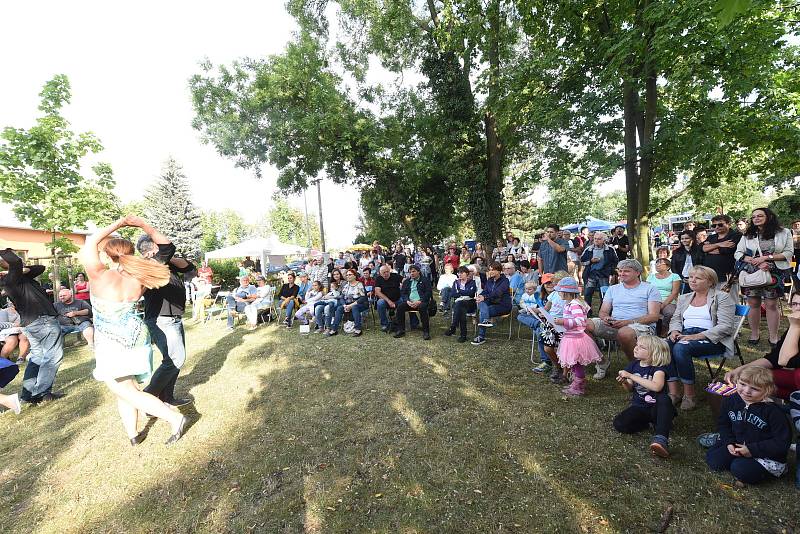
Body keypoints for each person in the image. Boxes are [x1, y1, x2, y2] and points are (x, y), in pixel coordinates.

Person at [79, 217, 187, 445]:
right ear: (130, 252)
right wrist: (141, 225)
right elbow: (167, 248)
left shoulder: (98, 274)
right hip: (136, 336)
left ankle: (174, 418)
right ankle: (133, 433)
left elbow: (90, 244)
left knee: (126, 390)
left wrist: (118, 224)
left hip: (112, 340)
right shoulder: (142, 274)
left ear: (108, 255)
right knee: (125, 388)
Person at [135, 225, 195, 408]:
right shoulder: (148, 265)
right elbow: (169, 247)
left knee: (175, 359)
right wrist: (164, 254)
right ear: (150, 250)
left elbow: (189, 267)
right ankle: (148, 399)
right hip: (161, 318)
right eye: (157, 246)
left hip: (173, 317)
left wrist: (170, 259)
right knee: (174, 359)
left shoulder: (163, 262)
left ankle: (167, 397)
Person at [706, 366, 791, 486]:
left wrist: (752, 450)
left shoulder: (773, 412)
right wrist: (729, 442)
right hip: (738, 445)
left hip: (764, 455)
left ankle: (759, 470)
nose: (746, 391)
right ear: (737, 381)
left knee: (740, 469)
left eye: (754, 389)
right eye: (742, 384)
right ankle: (738, 461)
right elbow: (723, 424)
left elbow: (782, 442)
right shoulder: (731, 400)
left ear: (767, 390)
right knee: (714, 460)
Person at [666, 266, 736, 411]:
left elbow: (726, 326)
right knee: (665, 346)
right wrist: (674, 331)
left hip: (712, 338)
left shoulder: (721, 297)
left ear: (710, 282)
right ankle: (674, 392)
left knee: (681, 347)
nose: (692, 280)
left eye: (698, 278)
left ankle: (690, 395)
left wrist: (696, 336)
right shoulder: (684, 297)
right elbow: (676, 319)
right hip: (685, 333)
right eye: (691, 277)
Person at [0, 249, 64, 404]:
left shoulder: (20, 278)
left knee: (37, 357)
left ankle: (28, 395)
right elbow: (15, 262)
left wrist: (22, 269)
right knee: (52, 357)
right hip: (43, 321)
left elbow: (40, 268)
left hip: (32, 323)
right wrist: (4, 251)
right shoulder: (12, 280)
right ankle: (41, 393)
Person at [589, 259, 662, 379]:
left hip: (641, 326)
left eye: (626, 271)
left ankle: (636, 368)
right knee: (584, 324)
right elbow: (603, 311)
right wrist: (606, 318)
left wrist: (628, 322)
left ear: (638, 272)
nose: (622, 274)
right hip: (615, 324)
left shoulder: (650, 288)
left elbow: (654, 316)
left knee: (624, 333)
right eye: (620, 271)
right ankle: (601, 361)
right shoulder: (613, 289)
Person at [734, 207, 794, 347]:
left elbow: (788, 252)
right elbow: (738, 253)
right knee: (753, 303)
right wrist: (753, 261)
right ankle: (754, 334)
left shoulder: (784, 232)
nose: (756, 218)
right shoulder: (748, 235)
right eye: (754, 217)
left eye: (760, 216)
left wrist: (767, 258)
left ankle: (773, 336)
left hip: (774, 271)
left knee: (771, 304)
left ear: (769, 217)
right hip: (752, 272)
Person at [724, 293, 800, 399]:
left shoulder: (796, 325)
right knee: (755, 377)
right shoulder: (795, 326)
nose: (797, 309)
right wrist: (741, 369)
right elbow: (775, 357)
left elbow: (783, 361)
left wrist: (795, 326)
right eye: (794, 304)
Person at [613, 335, 676, 458]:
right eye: (637, 345)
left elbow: (657, 386)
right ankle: (648, 424)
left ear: (654, 353)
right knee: (619, 423)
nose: (636, 348)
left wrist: (631, 376)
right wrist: (625, 382)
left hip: (657, 408)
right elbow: (630, 388)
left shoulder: (658, 369)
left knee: (664, 398)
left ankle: (660, 439)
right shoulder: (633, 365)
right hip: (640, 407)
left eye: (642, 347)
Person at [552, 277, 602, 396]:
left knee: (576, 362)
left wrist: (563, 322)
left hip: (575, 339)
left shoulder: (574, 305)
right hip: (570, 336)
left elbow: (580, 321)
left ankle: (579, 385)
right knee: (573, 362)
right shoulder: (569, 304)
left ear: (565, 292)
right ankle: (577, 381)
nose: (558, 293)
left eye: (559, 291)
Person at [472, 262, 511, 346]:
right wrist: (480, 296)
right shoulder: (490, 280)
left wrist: (484, 297)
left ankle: (481, 337)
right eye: (490, 270)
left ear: (499, 271)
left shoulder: (505, 281)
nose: (491, 272)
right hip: (491, 303)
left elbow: (498, 293)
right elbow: (485, 291)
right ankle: (485, 321)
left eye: (493, 270)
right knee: (482, 304)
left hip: (503, 305)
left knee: (484, 311)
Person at [579, 231, 618, 309]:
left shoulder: (610, 249)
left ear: (604, 240)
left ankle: (603, 311)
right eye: (595, 239)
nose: (596, 240)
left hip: (604, 275)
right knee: (587, 294)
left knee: (604, 294)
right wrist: (591, 261)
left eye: (599, 239)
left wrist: (612, 273)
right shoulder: (589, 249)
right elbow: (581, 261)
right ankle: (587, 312)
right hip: (591, 275)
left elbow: (615, 262)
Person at [393, 265, 432, 340]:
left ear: (418, 272)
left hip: (421, 301)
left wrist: (420, 301)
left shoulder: (425, 280)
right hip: (410, 302)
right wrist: (407, 301)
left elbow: (428, 292)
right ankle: (401, 330)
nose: (412, 273)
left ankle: (426, 332)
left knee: (422, 308)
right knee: (400, 307)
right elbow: (403, 293)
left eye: (413, 271)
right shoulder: (407, 281)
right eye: (410, 272)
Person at [646, 258, 681, 333]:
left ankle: (665, 330)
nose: (657, 265)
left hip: (668, 301)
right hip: (652, 301)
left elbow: (674, 293)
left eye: (660, 263)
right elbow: (646, 291)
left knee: (670, 313)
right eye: (656, 263)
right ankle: (649, 331)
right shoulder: (651, 276)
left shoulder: (675, 276)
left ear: (668, 267)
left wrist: (663, 305)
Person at [331, 269, 367, 337]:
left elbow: (363, 298)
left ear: (355, 276)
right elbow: (342, 297)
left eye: (350, 275)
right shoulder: (346, 285)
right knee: (339, 308)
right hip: (348, 304)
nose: (348, 276)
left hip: (359, 303)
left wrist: (351, 305)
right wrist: (344, 305)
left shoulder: (359, 284)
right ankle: (334, 329)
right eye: (347, 275)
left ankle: (358, 329)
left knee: (354, 307)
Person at [445, 266, 478, 342]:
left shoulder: (472, 282)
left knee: (459, 305)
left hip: (470, 303)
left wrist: (459, 291)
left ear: (467, 274)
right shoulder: (456, 282)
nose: (459, 274)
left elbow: (471, 293)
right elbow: (453, 294)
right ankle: (463, 335)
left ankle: (453, 327)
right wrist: (464, 293)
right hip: (460, 304)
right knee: (461, 309)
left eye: (461, 273)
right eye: (458, 273)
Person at [374, 265, 403, 333]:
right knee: (380, 303)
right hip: (385, 300)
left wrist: (404, 286)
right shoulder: (378, 279)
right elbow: (377, 292)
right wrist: (389, 301)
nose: (386, 274)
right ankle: (384, 324)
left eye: (387, 272)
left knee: (403, 301)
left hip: (398, 299)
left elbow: (405, 280)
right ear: (380, 273)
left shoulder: (395, 276)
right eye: (384, 272)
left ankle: (399, 322)